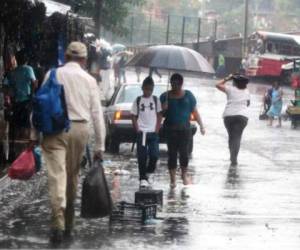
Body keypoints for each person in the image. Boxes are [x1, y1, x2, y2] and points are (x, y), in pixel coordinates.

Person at [31, 42, 106, 245]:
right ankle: (69, 224)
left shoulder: (52, 74)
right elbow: (97, 114)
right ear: (84, 59)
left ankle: (58, 223)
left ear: (65, 56)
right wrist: (100, 145)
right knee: (72, 177)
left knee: (57, 176)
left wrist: (33, 134)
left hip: (54, 130)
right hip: (80, 130)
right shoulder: (89, 80)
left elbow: (40, 104)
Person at [160, 73, 205, 188]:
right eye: (172, 84)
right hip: (170, 129)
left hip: (185, 129)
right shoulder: (165, 96)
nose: (174, 86)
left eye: (176, 84)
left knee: (184, 154)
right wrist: (163, 109)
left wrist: (201, 125)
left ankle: (184, 174)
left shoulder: (188, 95)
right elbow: (161, 115)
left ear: (181, 84)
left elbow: (195, 111)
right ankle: (173, 179)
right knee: (172, 154)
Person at [131, 76, 162, 188]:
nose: (148, 91)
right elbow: (133, 115)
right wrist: (137, 128)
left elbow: (159, 115)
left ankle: (149, 172)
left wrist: (157, 128)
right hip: (142, 132)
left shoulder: (155, 100)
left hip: (153, 132)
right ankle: (142, 177)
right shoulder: (138, 100)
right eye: (146, 89)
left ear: (153, 89)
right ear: (142, 88)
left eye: (150, 89)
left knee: (154, 155)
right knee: (142, 156)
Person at [216, 74, 250, 166]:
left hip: (229, 116)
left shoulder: (230, 89)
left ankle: (232, 156)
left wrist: (227, 78)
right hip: (242, 117)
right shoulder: (247, 92)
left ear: (234, 82)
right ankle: (234, 158)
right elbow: (248, 104)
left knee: (231, 137)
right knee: (237, 137)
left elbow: (217, 84)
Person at [4, 49, 37, 139]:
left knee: (17, 124)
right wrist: (32, 94)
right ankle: (24, 145)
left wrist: (12, 95)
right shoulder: (28, 69)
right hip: (26, 100)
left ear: (17, 60)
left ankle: (17, 143)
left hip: (16, 101)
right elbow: (34, 82)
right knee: (26, 124)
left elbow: (6, 86)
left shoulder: (13, 72)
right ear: (26, 60)